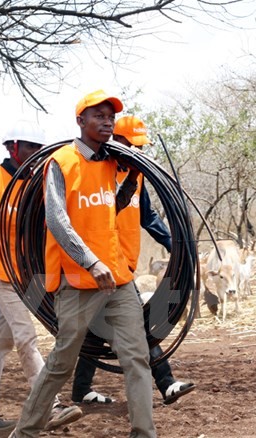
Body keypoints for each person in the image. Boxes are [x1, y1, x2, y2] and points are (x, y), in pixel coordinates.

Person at [8, 90, 157, 438]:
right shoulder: (61, 162)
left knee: (136, 358)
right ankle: (24, 434)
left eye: (111, 116)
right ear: (80, 121)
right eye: (99, 115)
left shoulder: (111, 162)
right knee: (62, 363)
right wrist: (90, 262)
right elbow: (57, 220)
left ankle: (144, 435)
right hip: (77, 282)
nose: (108, 121)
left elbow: (112, 210)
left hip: (117, 280)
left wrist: (133, 177)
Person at [0, 121, 82, 433]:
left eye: (38, 149)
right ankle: (52, 405)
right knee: (26, 336)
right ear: (12, 147)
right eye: (30, 147)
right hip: (0, 275)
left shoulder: (35, 185)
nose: (35, 154)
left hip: (25, 276)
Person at [71, 115, 195, 406]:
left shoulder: (136, 178)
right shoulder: (98, 173)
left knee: (94, 331)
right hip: (97, 267)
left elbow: (148, 216)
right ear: (117, 142)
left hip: (123, 267)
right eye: (133, 145)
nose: (138, 152)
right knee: (136, 326)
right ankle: (166, 383)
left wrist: (175, 243)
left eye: (141, 146)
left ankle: (80, 389)